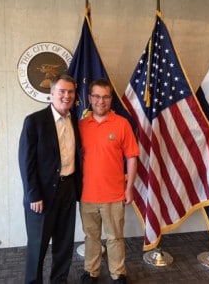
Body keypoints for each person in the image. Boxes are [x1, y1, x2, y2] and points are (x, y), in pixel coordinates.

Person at [18, 74, 82, 284]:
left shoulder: (76, 121)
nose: (66, 96)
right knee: (38, 246)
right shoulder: (35, 121)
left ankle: (59, 280)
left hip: (68, 190)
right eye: (62, 91)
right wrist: (33, 194)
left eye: (70, 92)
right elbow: (26, 162)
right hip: (41, 195)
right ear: (52, 93)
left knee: (64, 244)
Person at [79, 79, 139, 284]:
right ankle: (91, 271)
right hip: (86, 195)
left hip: (114, 194)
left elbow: (132, 157)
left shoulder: (122, 124)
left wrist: (129, 188)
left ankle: (118, 273)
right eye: (96, 96)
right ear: (89, 98)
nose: (100, 101)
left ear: (111, 99)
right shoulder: (81, 126)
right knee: (91, 237)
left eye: (105, 96)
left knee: (114, 238)